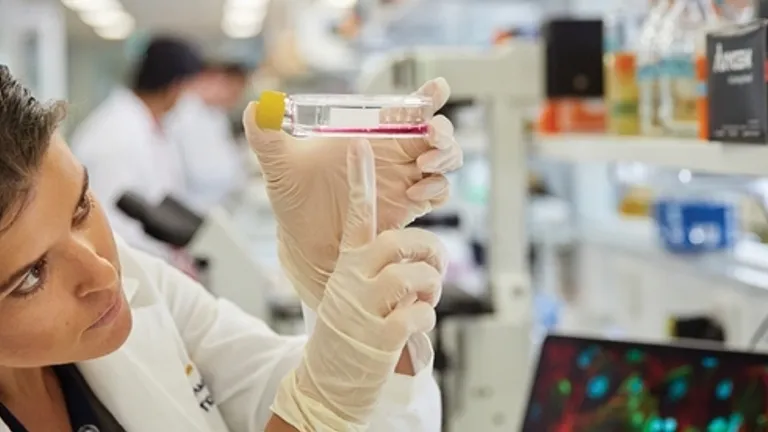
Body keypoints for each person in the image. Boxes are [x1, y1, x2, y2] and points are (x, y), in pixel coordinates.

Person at [0, 64, 463, 430]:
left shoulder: (138, 280)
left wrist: (339, 275)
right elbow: (315, 406)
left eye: (81, 207)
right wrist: (316, 415)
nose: (104, 274)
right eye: (31, 276)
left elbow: (277, 386)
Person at [72, 36, 204, 257]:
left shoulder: (150, 126)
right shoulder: (115, 134)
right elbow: (112, 228)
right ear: (174, 87)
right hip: (127, 265)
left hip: (152, 258)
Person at [166, 62, 252, 214]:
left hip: (219, 204)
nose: (235, 98)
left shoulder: (216, 115)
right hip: (193, 207)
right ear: (213, 79)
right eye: (232, 91)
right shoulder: (184, 114)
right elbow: (200, 173)